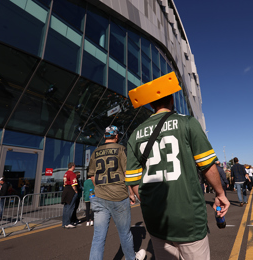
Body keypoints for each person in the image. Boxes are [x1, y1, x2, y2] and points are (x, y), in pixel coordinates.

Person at [125, 73, 229, 260]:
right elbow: (207, 166)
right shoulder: (187, 123)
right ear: (172, 99)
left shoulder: (135, 134)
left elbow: (133, 181)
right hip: (189, 217)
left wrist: (151, 204)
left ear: (150, 105)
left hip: (157, 220)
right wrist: (220, 194)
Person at [88, 126, 146, 260]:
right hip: (119, 196)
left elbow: (92, 176)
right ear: (116, 136)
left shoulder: (95, 152)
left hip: (100, 197)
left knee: (98, 236)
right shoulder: (121, 150)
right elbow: (127, 174)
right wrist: (131, 193)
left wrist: (101, 188)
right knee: (124, 234)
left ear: (104, 136)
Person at [61, 162, 78, 229]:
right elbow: (73, 183)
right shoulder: (72, 174)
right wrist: (76, 191)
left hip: (66, 189)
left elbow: (64, 183)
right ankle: (68, 222)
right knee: (70, 207)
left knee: (66, 207)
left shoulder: (66, 173)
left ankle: (64, 223)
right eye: (74, 166)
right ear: (73, 166)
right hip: (71, 190)